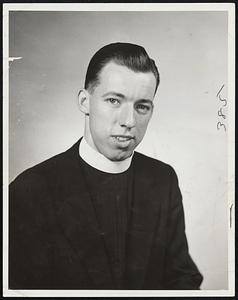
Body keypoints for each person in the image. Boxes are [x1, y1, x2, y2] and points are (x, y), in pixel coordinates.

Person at [9, 42, 203, 290]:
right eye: (114, 100)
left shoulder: (162, 179)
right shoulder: (29, 190)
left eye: (142, 106)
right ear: (84, 102)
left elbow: (182, 278)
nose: (129, 121)